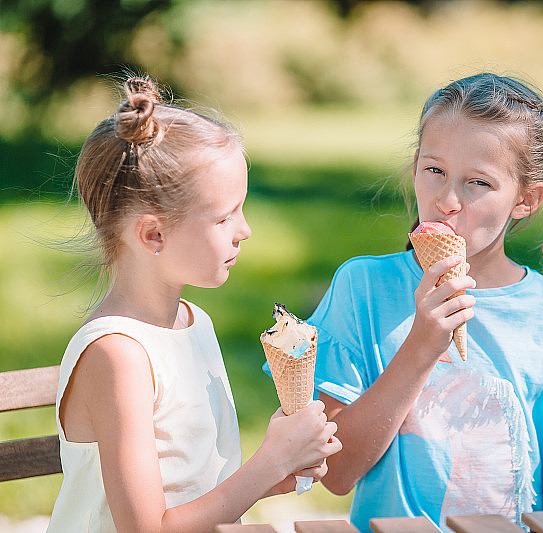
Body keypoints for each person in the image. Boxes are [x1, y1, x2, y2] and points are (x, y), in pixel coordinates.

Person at [299, 73, 543, 531]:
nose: (447, 200)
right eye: (434, 171)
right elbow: (338, 474)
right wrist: (421, 346)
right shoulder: (363, 287)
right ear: (414, 168)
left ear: (526, 199)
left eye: (478, 183)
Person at [49, 76, 342, 533]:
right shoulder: (118, 355)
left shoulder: (191, 322)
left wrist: (276, 473)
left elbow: (193, 486)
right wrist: (268, 462)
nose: (243, 231)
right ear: (154, 235)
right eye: (224, 216)